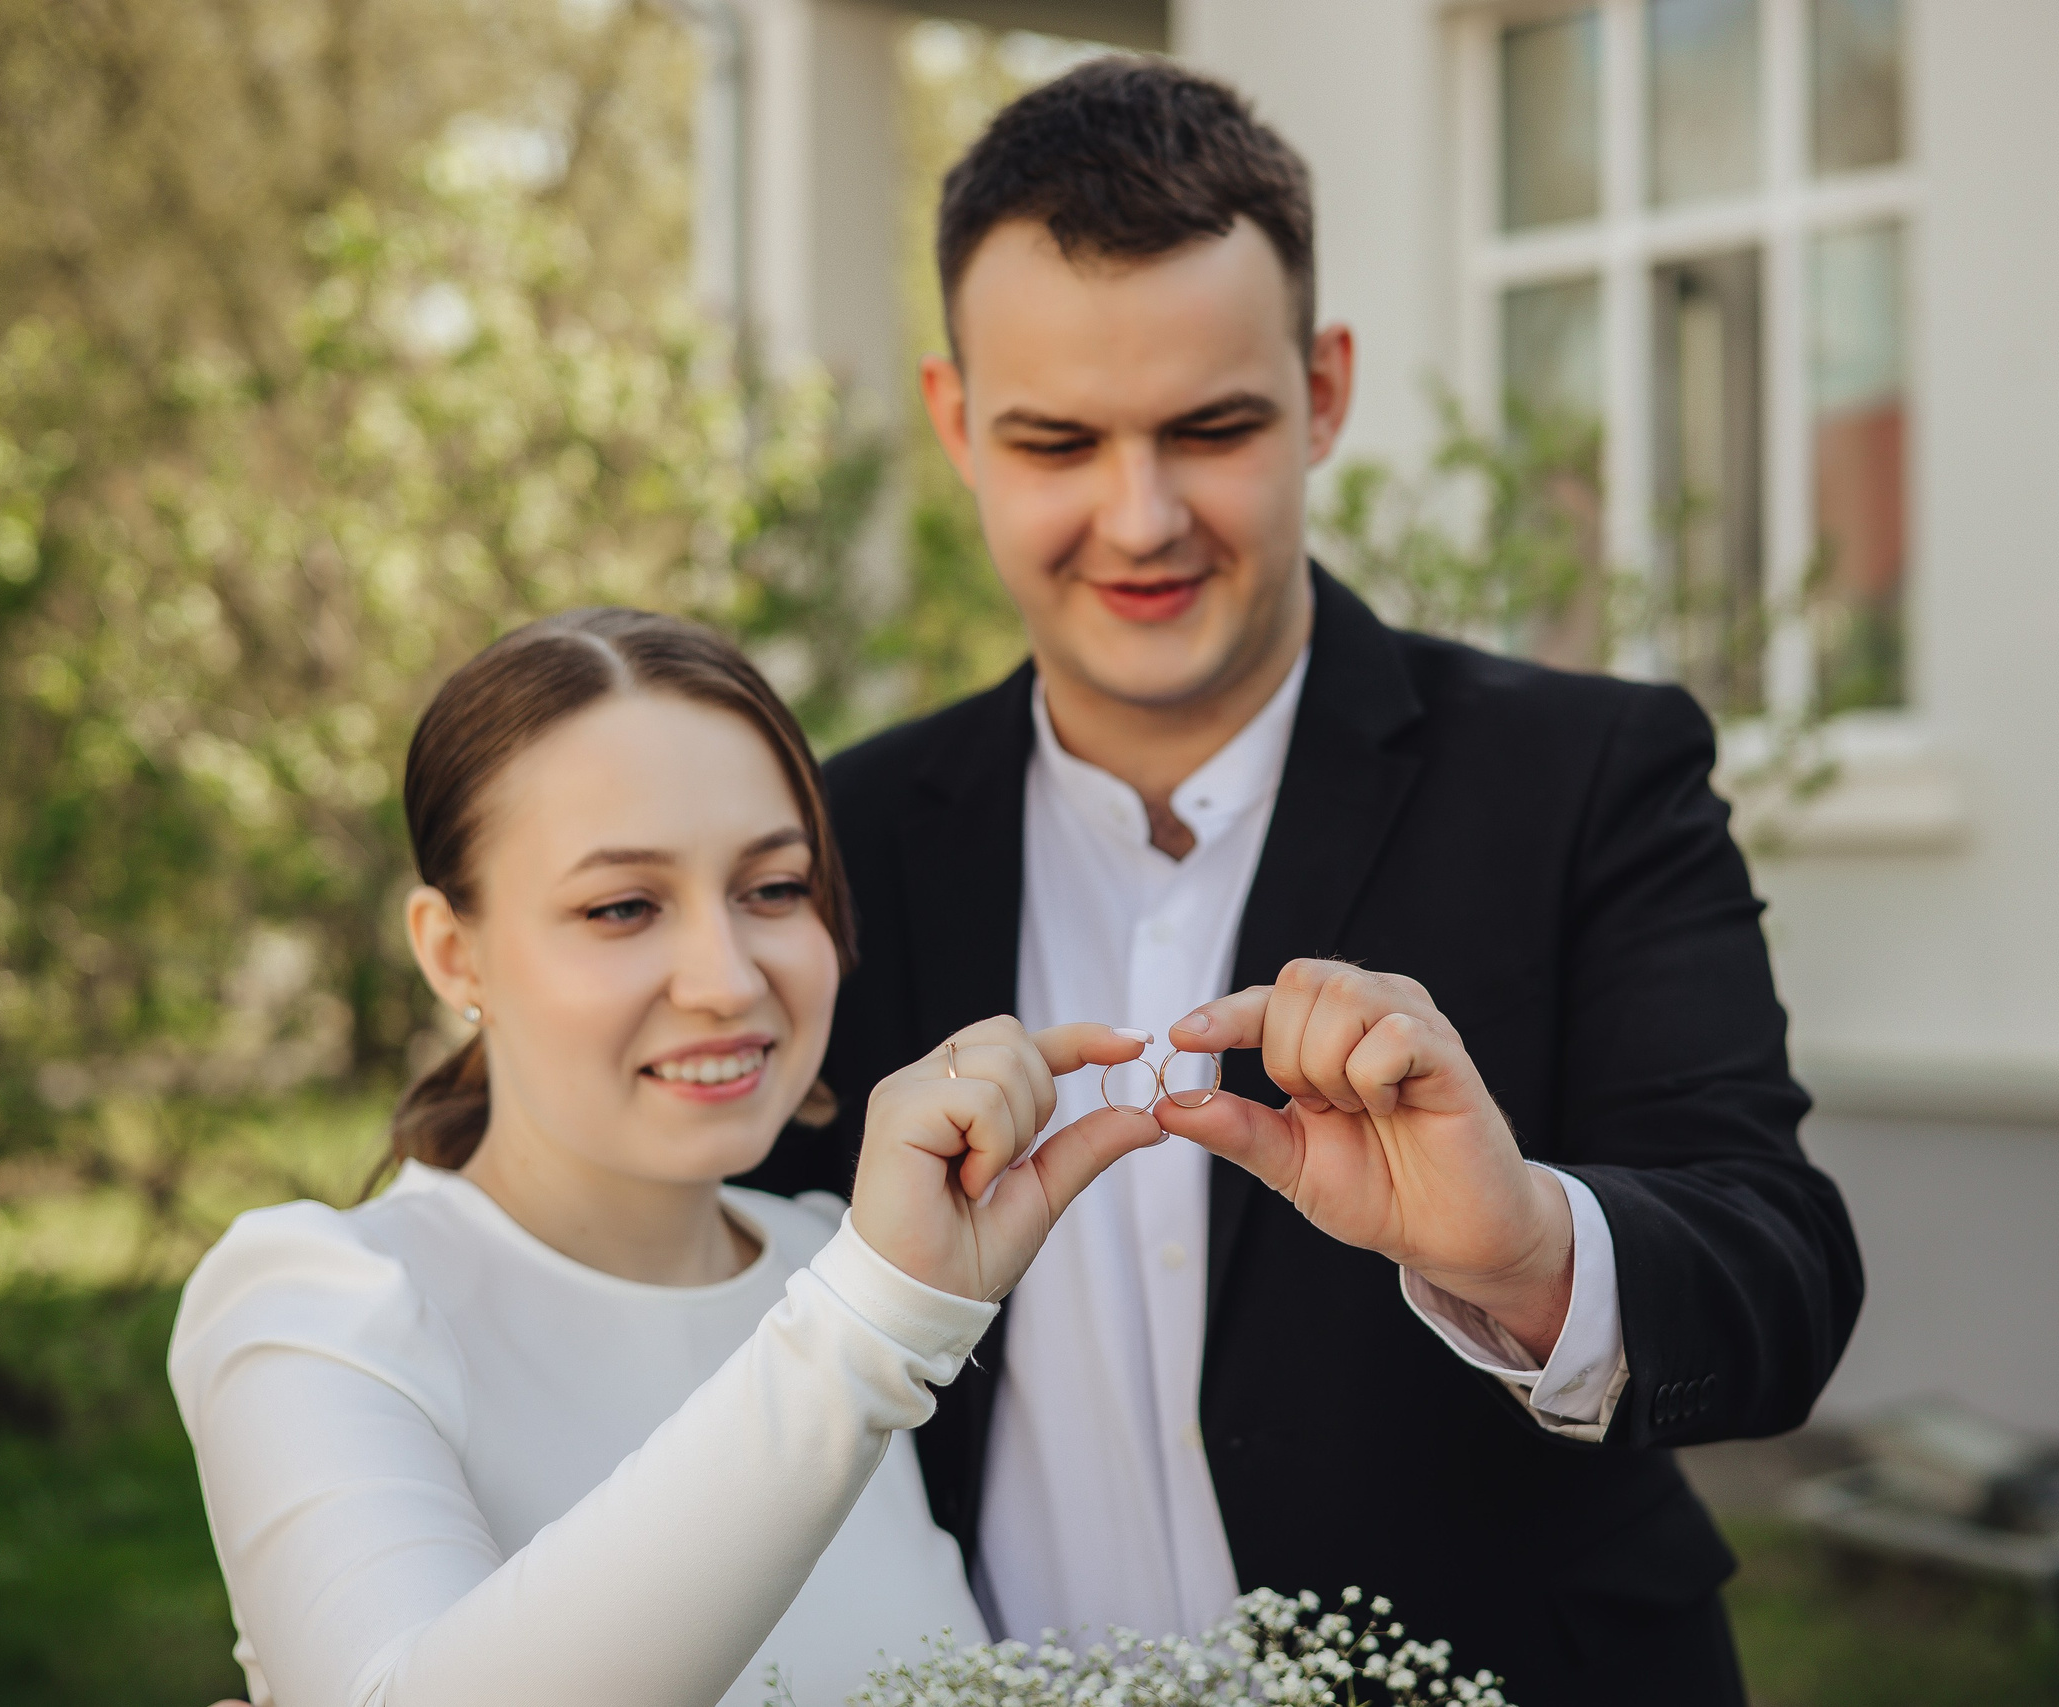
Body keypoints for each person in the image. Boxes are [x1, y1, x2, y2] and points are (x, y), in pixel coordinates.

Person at [736, 58, 1865, 1704]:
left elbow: (1780, 1276)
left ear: (1323, 390)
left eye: (1213, 426)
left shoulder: (1594, 777)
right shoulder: (839, 840)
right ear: (956, 419)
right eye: (1058, 439)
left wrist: (1527, 1245)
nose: (1142, 517)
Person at [168, 608, 1164, 1707]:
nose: (726, 978)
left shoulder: (827, 1254)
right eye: (624, 906)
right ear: (455, 955)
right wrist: (873, 1320)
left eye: (774, 889)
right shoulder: (324, 1305)